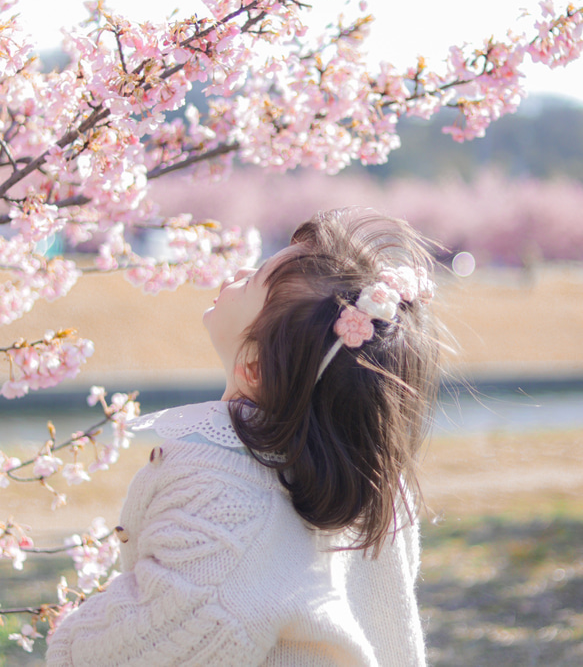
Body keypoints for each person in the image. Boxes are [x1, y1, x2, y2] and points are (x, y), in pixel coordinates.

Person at [46, 207, 441, 667]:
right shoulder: (375, 478)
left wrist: (74, 641)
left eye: (252, 280)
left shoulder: (222, 491)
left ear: (253, 366)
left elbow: (150, 643)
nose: (235, 270)